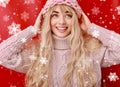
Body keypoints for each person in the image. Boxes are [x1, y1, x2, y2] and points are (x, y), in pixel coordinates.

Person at [0, 0, 120, 87]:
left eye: (68, 15)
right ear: (47, 19)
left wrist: (91, 29)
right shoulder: (36, 53)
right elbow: (2, 55)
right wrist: (33, 30)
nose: (62, 21)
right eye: (55, 15)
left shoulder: (92, 50)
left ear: (76, 19)